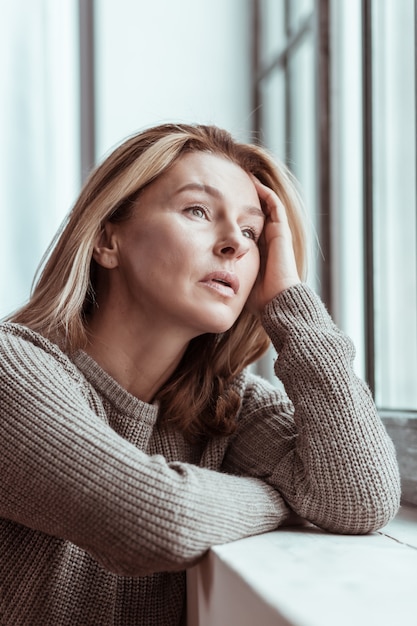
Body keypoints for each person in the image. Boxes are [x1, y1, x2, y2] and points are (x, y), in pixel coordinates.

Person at [0, 123, 400, 626]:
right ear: (107, 239)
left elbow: (359, 499)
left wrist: (288, 306)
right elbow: (156, 521)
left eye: (252, 231)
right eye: (198, 211)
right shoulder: (11, 369)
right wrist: (278, 499)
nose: (234, 242)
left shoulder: (227, 410)